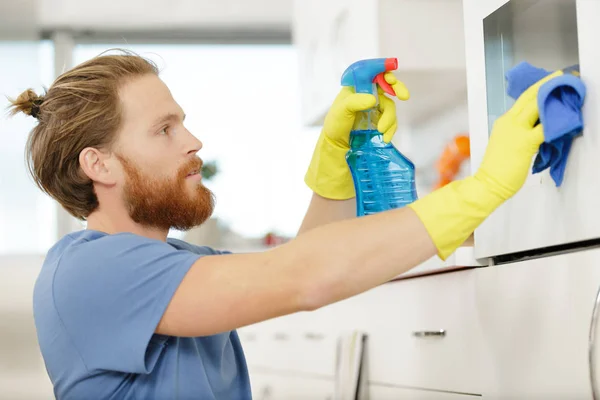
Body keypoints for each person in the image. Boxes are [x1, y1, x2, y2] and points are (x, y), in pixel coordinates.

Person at [8, 49, 553, 399]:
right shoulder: (91, 270)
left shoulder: (176, 266)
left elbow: (300, 263)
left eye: (184, 123)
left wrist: (334, 158)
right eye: (164, 130)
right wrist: (479, 191)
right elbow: (303, 279)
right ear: (98, 164)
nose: (193, 141)